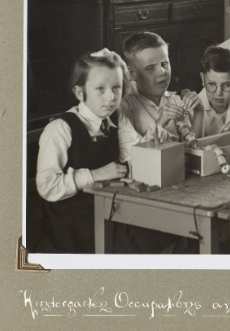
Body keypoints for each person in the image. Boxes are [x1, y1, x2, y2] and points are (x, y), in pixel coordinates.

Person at [35, 49, 170, 254]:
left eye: (116, 87)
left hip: (109, 211)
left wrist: (150, 142)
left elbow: (134, 154)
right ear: (80, 93)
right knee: (146, 237)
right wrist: (95, 175)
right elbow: (47, 186)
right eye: (100, 89)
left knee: (165, 227)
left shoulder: (116, 118)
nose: (110, 97)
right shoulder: (60, 129)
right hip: (74, 227)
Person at [120, 31, 203, 140]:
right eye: (150, 68)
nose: (162, 72)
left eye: (164, 64)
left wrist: (199, 112)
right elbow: (133, 152)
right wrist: (161, 122)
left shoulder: (174, 99)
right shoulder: (126, 104)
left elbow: (193, 145)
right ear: (132, 74)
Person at [198, 46, 230, 137]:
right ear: (203, 79)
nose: (219, 93)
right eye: (212, 84)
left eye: (227, 85)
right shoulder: (193, 109)